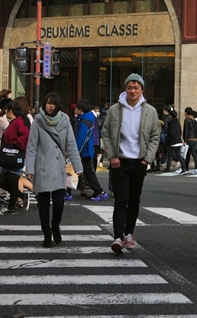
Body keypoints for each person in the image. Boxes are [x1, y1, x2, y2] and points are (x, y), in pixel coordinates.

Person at [101, 73, 161, 254]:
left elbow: (155, 136)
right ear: (125, 89)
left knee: (134, 200)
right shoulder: (114, 110)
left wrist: (147, 159)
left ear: (142, 90)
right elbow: (106, 132)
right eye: (129, 87)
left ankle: (129, 234)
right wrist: (112, 156)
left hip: (139, 162)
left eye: (136, 88)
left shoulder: (150, 111)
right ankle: (118, 237)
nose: (132, 91)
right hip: (119, 162)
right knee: (121, 200)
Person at [25, 92, 83, 247]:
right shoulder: (37, 121)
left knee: (59, 201)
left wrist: (78, 167)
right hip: (42, 166)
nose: (51, 106)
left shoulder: (65, 120)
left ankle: (55, 225)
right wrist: (29, 169)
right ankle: (46, 232)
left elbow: (71, 145)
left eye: (54, 104)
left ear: (58, 106)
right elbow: (31, 147)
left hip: (58, 167)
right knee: (43, 203)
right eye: (48, 103)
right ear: (44, 104)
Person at [0, 101, 31, 214]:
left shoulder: (20, 121)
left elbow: (24, 136)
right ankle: (22, 196)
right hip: (10, 154)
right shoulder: (16, 121)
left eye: (7, 110)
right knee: (3, 181)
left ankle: (10, 207)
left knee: (12, 181)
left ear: (10, 111)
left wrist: (13, 143)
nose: (6, 112)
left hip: (15, 154)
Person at [74, 99, 107, 199]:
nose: (75, 110)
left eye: (77, 108)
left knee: (86, 171)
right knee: (88, 172)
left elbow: (81, 138)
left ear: (81, 109)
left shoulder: (84, 121)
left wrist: (75, 152)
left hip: (84, 150)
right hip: (88, 149)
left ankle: (99, 191)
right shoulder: (89, 118)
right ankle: (98, 190)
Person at [160, 107, 183, 173]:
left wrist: (168, 140)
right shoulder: (177, 122)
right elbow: (180, 132)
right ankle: (184, 167)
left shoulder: (171, 123)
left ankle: (167, 168)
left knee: (170, 155)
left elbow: (171, 133)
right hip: (178, 140)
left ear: (171, 116)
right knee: (178, 155)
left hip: (173, 141)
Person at [181, 108, 197, 175]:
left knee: (190, 154)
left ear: (186, 113)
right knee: (192, 154)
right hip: (195, 139)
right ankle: (188, 167)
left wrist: (185, 139)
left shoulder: (187, 120)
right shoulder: (195, 120)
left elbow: (186, 130)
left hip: (189, 139)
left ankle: (192, 168)